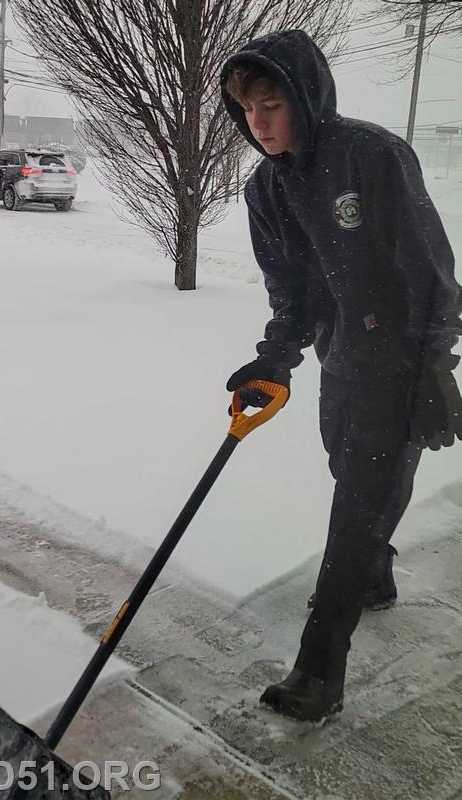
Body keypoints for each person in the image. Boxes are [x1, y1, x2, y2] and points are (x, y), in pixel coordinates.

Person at [220, 29, 462, 723]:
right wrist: (275, 357)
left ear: (304, 97)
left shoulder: (371, 156)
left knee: (356, 507)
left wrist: (433, 367)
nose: (259, 123)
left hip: (401, 361)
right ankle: (374, 574)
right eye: (248, 110)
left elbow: (430, 270)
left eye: (271, 104)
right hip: (342, 359)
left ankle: (318, 671)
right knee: (350, 475)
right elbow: (290, 294)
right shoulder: (265, 188)